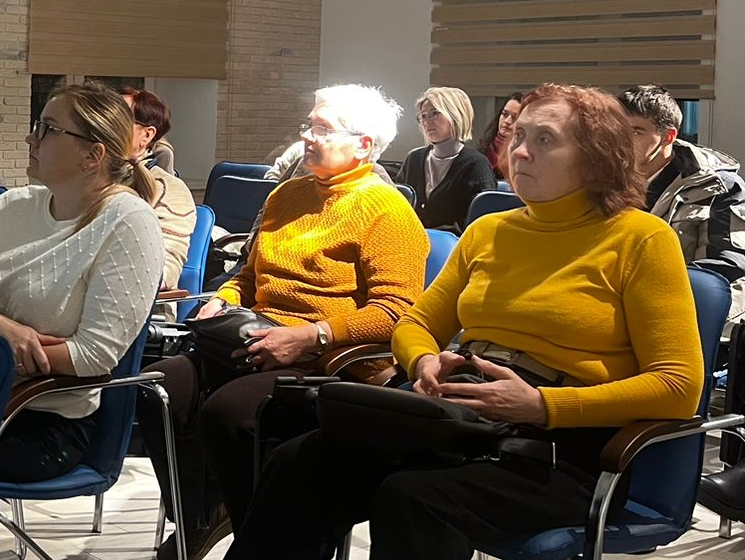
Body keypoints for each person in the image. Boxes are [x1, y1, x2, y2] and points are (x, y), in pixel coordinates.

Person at [228, 84, 705, 560]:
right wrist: (423, 361)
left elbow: (679, 387)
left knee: (412, 497)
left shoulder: (641, 239)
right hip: (462, 419)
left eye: (544, 139)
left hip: (561, 447)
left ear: (597, 157)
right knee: (301, 462)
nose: (520, 151)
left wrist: (542, 406)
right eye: (519, 135)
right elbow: (414, 324)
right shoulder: (489, 231)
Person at [138, 84, 428, 559]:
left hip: (329, 358)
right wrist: (224, 298)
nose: (308, 137)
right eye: (309, 126)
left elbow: (396, 312)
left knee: (229, 412)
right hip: (256, 334)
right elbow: (248, 276)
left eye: (323, 129)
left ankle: (261, 540)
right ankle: (202, 514)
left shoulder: (387, 211)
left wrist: (311, 336)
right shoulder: (286, 195)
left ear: (363, 145)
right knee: (159, 386)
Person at [0, 83, 162, 482]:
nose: (30, 138)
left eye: (48, 129)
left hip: (38, 420)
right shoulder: (10, 207)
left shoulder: (128, 222)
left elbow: (93, 355)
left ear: (92, 155)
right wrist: (5, 332)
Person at [617, 85, 745, 284]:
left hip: (679, 295)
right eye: (617, 130)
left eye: (635, 132)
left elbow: (727, 266)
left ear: (668, 137)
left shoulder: (719, 187)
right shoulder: (597, 181)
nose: (621, 141)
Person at [120, 87, 196, 289]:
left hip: (136, 301)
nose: (102, 126)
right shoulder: (83, 180)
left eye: (117, 120)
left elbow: (164, 270)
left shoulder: (170, 189)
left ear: (146, 135)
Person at [396, 86, 496, 230]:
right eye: (423, 116)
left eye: (434, 113)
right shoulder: (414, 159)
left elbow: (482, 221)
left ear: (455, 115)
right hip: (410, 238)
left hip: (456, 242)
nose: (427, 121)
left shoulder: (476, 164)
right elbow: (400, 205)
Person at [480, 91, 525, 181]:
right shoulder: (483, 152)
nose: (507, 121)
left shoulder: (525, 156)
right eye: (505, 114)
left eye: (515, 117)